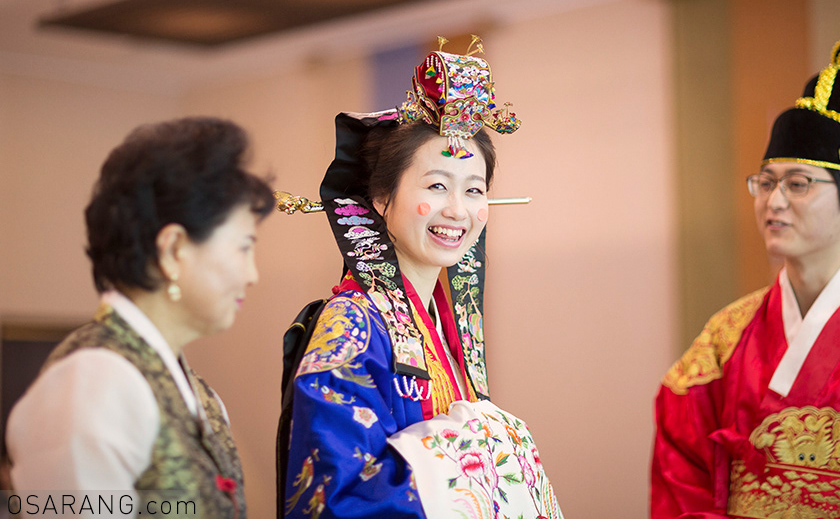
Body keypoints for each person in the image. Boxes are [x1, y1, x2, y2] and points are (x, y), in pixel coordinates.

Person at [281, 37, 564, 519]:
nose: (457, 210)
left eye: (473, 190)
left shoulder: (447, 326)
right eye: (436, 186)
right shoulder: (351, 326)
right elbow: (333, 499)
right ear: (381, 199)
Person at [651, 35, 840, 518]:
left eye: (798, 184)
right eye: (765, 182)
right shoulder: (726, 336)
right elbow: (680, 466)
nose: (774, 201)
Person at [6, 117, 273, 517]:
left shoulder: (199, 394)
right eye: (243, 247)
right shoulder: (92, 383)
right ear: (174, 249)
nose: (252, 275)